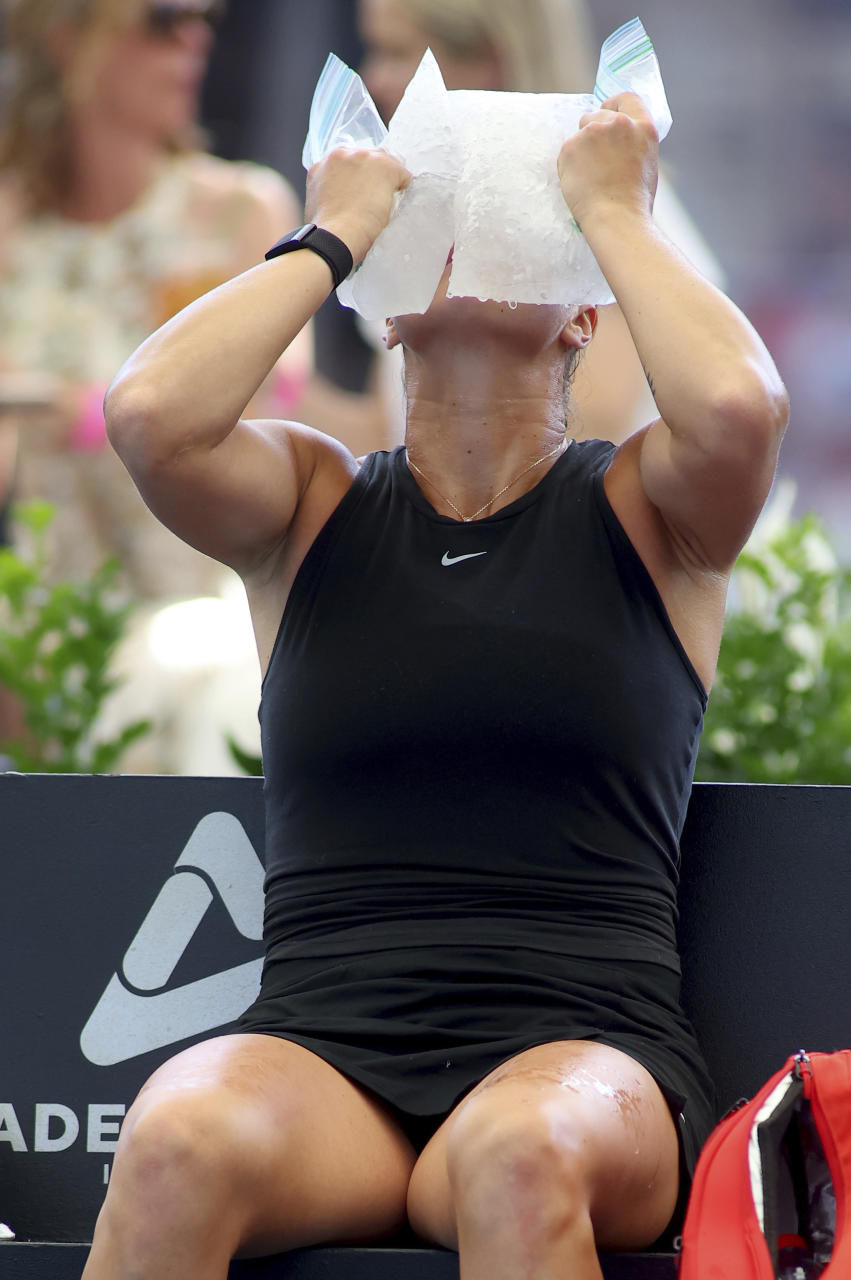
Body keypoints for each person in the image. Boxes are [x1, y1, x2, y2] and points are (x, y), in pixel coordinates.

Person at [86, 88, 788, 1278]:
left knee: (517, 1153)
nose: (471, 232)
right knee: (173, 1143)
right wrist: (335, 237)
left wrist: (612, 214)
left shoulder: (645, 506)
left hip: (581, 1044)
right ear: (392, 313)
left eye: (513, 220)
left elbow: (733, 404)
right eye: (442, 219)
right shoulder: (309, 503)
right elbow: (151, 415)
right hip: (326, 1053)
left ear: (580, 320)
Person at [0, 0, 311, 770]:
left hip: (209, 605)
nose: (196, 39)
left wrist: (75, 408)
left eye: (206, 18)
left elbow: (275, 405)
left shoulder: (236, 211)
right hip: (50, 616)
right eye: (162, 19)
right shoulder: (8, 222)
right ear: (68, 36)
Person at [300, 0, 726, 456]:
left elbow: (591, 422)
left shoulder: (614, 209)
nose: (376, 81)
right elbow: (388, 437)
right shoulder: (417, 212)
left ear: (490, 60)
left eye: (397, 53)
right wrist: (256, 352)